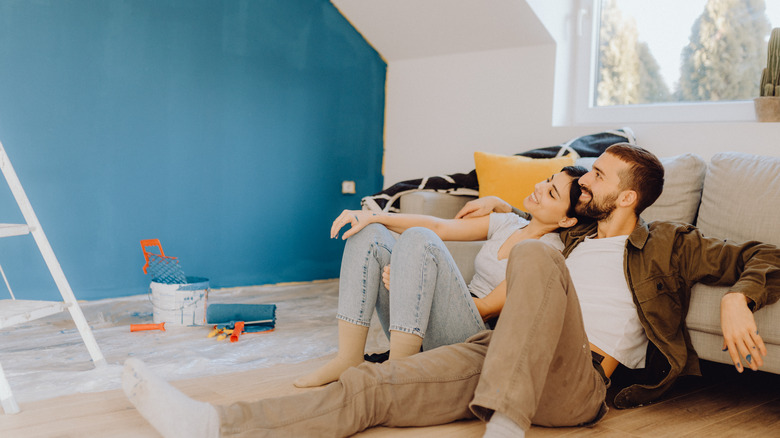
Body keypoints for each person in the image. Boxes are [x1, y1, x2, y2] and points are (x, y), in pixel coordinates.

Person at [122, 143, 780, 438]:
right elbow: (523, 219)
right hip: (494, 352)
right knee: (373, 387)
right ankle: (213, 425)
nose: (584, 181)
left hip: (575, 380)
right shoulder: (565, 234)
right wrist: (495, 203)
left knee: (534, 263)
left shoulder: (665, 244)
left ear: (628, 196)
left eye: (599, 175)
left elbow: (765, 254)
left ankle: (506, 425)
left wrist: (734, 296)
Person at [294, 166, 590, 387]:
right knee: (369, 233)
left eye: (551, 192)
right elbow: (442, 227)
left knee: (420, 240)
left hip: (472, 335)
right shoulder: (509, 223)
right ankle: (347, 358)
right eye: (549, 180)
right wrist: (374, 216)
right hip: (431, 319)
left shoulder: (547, 256)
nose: (540, 186)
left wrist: (416, 285)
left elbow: (487, 307)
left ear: (567, 219)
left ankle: (399, 374)